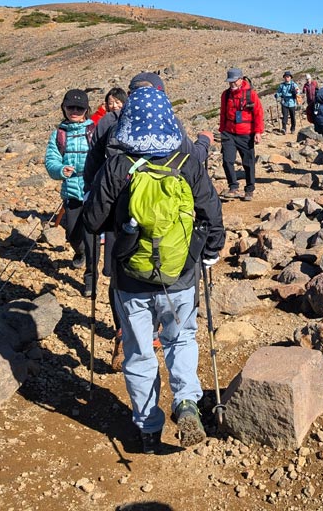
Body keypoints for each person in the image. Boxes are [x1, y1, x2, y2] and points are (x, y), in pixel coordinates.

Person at [82, 86, 226, 454]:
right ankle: (187, 403)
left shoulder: (118, 165)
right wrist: (208, 253)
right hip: (180, 275)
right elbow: (212, 213)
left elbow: (93, 220)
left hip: (130, 278)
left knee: (139, 352)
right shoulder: (187, 160)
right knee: (181, 339)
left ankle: (147, 427)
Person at [44, 89, 96, 297]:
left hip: (93, 190)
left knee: (92, 237)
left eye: (79, 107)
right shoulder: (59, 135)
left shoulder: (94, 130)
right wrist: (59, 170)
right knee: (73, 234)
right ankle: (80, 251)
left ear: (86, 110)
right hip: (71, 191)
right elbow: (51, 161)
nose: (75, 111)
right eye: (70, 107)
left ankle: (90, 280)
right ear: (64, 108)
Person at [219, 68, 264, 201]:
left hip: (246, 133)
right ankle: (233, 187)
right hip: (229, 133)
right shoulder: (225, 95)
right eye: (229, 82)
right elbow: (223, 113)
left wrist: (258, 132)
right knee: (227, 161)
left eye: (233, 81)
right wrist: (222, 130)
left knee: (248, 163)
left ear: (240, 79)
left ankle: (249, 189)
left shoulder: (251, 94)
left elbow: (258, 113)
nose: (231, 84)